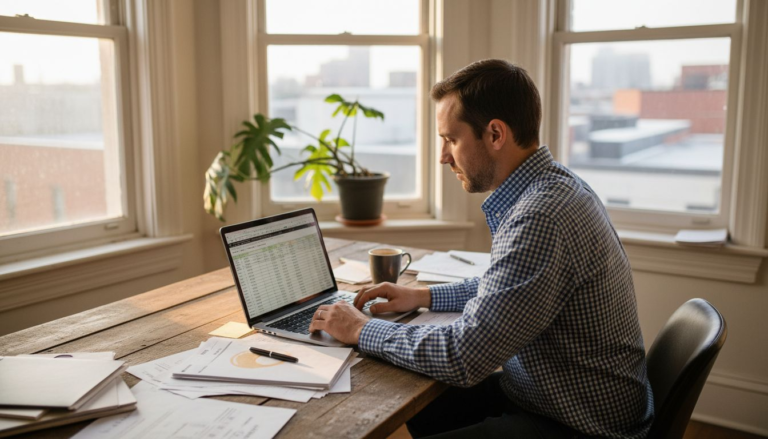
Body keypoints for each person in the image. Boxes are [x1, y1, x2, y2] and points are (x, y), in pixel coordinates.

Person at [309, 59, 654, 438]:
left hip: (580, 423)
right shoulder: (554, 187)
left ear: (494, 134)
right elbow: (510, 288)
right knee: (414, 395)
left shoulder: (540, 216)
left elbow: (463, 356)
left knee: (410, 387)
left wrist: (361, 329)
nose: (443, 156)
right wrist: (422, 295)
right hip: (557, 395)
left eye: (451, 140)